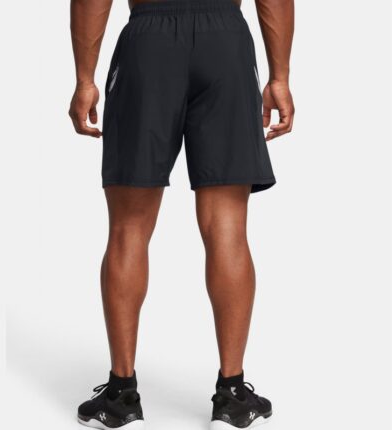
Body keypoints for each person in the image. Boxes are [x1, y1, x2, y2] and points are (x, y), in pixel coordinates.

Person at [69, 0, 294, 428]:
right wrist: (279, 76)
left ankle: (121, 396)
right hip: (225, 43)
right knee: (227, 227)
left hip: (148, 44)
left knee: (128, 228)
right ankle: (232, 397)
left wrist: (85, 78)